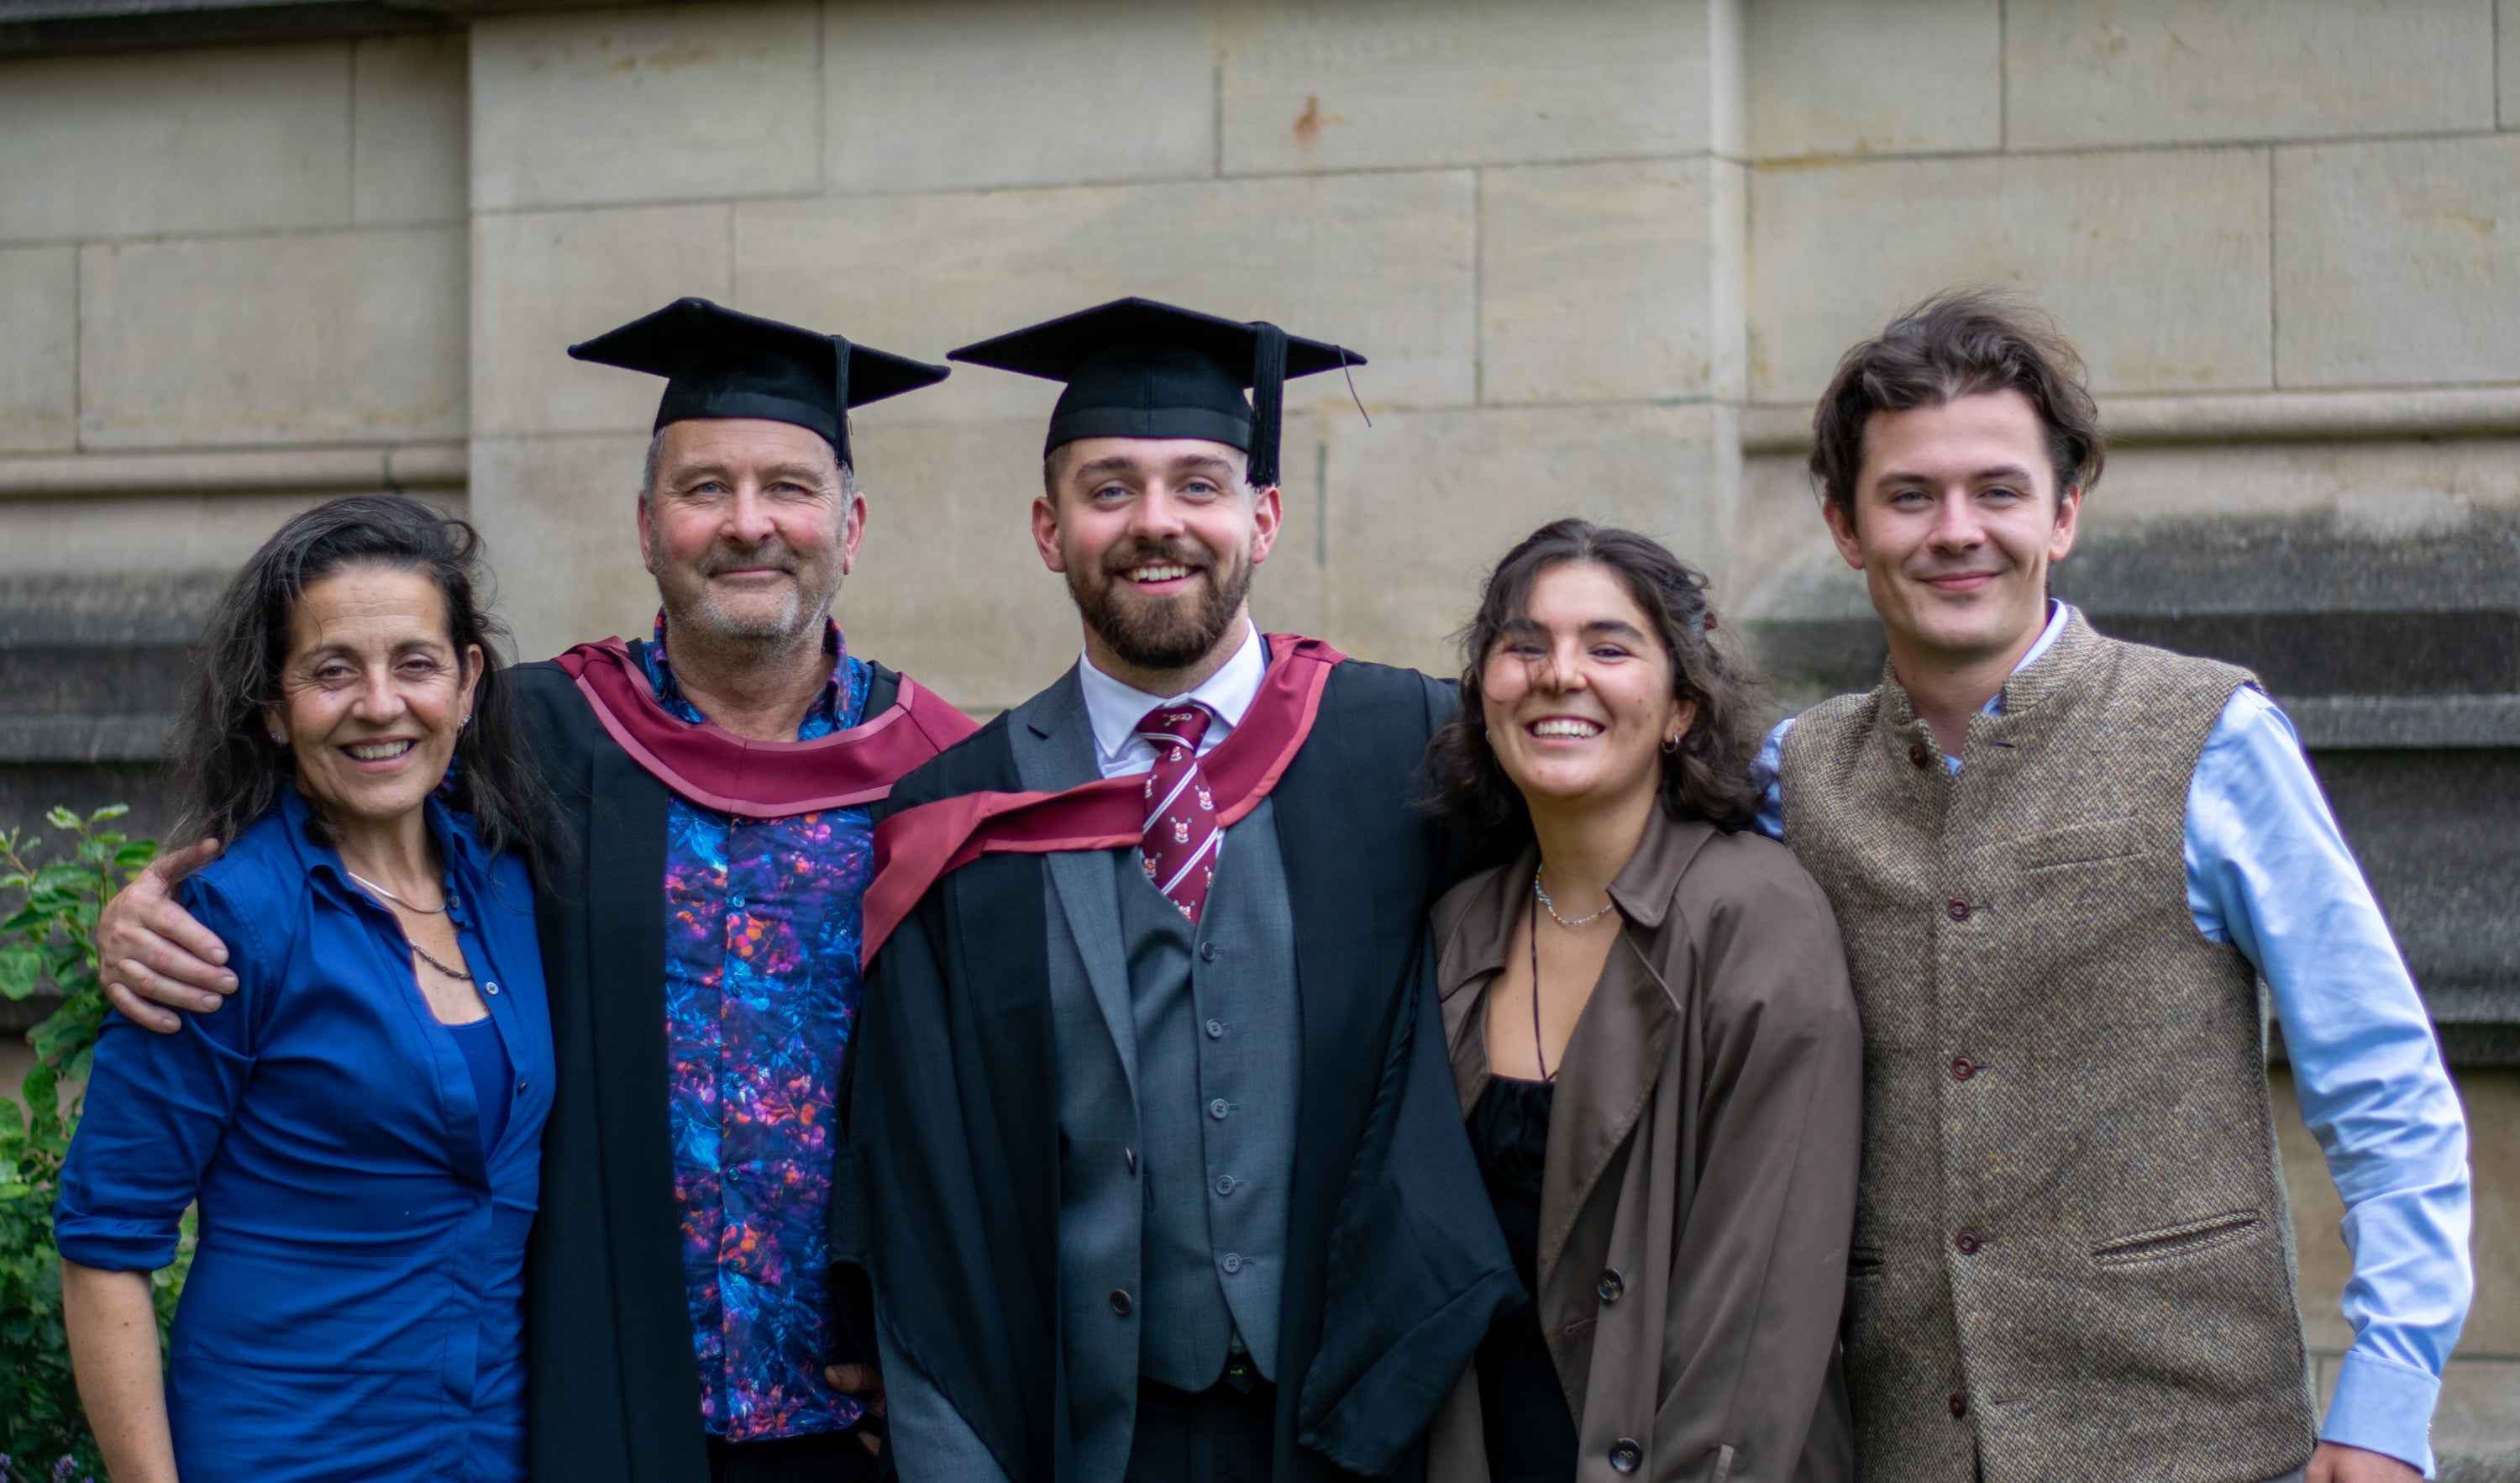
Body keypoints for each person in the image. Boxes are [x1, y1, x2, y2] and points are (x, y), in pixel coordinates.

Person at [91, 299, 980, 1483]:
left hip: (851, 1420)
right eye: (704, 487)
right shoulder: (533, 735)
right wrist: (144, 903)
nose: (748, 523)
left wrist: (946, 1354)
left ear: (851, 524)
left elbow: (1013, 1098)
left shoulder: (950, 771)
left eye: (790, 489)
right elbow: (329, 810)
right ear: (647, 526)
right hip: (579, 1395)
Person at [1754, 292, 2473, 1483]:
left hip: (2193, 1441)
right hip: (1894, 1447)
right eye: (1909, 494)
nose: (1956, 530)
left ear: (2065, 512)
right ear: (1844, 524)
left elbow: (2387, 1090)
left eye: (1997, 489)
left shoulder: (2212, 736)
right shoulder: (1795, 774)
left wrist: (2387, 1404)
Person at [842, 297, 1520, 1483]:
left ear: (1261, 515)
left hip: (1365, 1424)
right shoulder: (959, 814)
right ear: (1050, 531)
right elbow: (921, 1192)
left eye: (1198, 485)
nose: (1157, 523)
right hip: (1089, 1436)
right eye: (1110, 489)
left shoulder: (1407, 747)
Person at [57, 496, 554, 1483]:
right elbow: (107, 1238)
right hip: (281, 1452)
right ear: (276, 710)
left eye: (414, 662)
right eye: (332, 671)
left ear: (466, 684)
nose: (379, 703)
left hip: (484, 1448)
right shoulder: (227, 925)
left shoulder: (510, 884)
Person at [1417, 520, 1861, 1483]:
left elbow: (1761, 1316)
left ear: (1680, 709)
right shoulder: (1458, 931)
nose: (1558, 674)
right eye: (1523, 644)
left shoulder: (1758, 920)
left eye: (1609, 647)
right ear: (1485, 694)